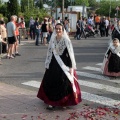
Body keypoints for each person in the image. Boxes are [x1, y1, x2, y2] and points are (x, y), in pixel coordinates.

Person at [37, 23, 82, 110]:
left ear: (63, 30)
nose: (58, 30)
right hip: (53, 63)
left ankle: (64, 102)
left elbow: (70, 54)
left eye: (59, 29)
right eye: (56, 29)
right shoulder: (52, 39)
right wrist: (48, 63)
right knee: (52, 81)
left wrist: (70, 67)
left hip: (63, 64)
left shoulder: (66, 40)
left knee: (63, 83)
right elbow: (49, 53)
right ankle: (51, 102)